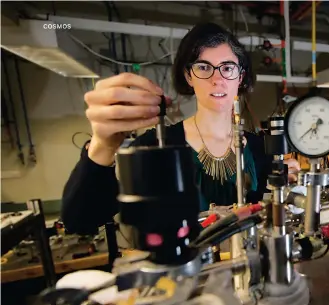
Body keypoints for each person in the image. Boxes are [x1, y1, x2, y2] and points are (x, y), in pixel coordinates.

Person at [61, 22, 299, 235]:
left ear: (240, 77)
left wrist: (290, 178)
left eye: (227, 67)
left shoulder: (260, 149)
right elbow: (80, 221)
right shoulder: (156, 147)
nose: (217, 79)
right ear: (188, 76)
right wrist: (102, 145)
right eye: (204, 68)